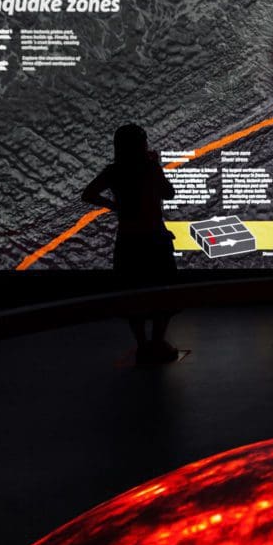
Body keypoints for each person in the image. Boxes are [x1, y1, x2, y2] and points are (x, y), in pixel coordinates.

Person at [82, 123, 179, 365]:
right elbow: (170, 193)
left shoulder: (114, 172)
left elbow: (88, 194)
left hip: (128, 242)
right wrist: (155, 166)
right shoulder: (149, 168)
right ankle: (158, 343)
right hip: (155, 239)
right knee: (164, 292)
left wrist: (114, 206)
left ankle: (142, 346)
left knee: (132, 293)